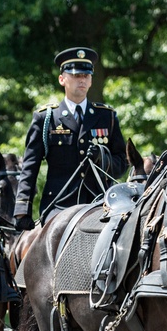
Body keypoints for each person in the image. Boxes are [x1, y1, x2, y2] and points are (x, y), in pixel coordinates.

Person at [13, 47, 128, 230]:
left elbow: (122, 162)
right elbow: (30, 167)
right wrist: (22, 209)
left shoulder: (107, 117)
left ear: (91, 80)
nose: (81, 79)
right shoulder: (46, 118)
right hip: (59, 205)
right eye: (75, 75)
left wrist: (103, 159)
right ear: (62, 79)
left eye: (86, 75)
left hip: (100, 203)